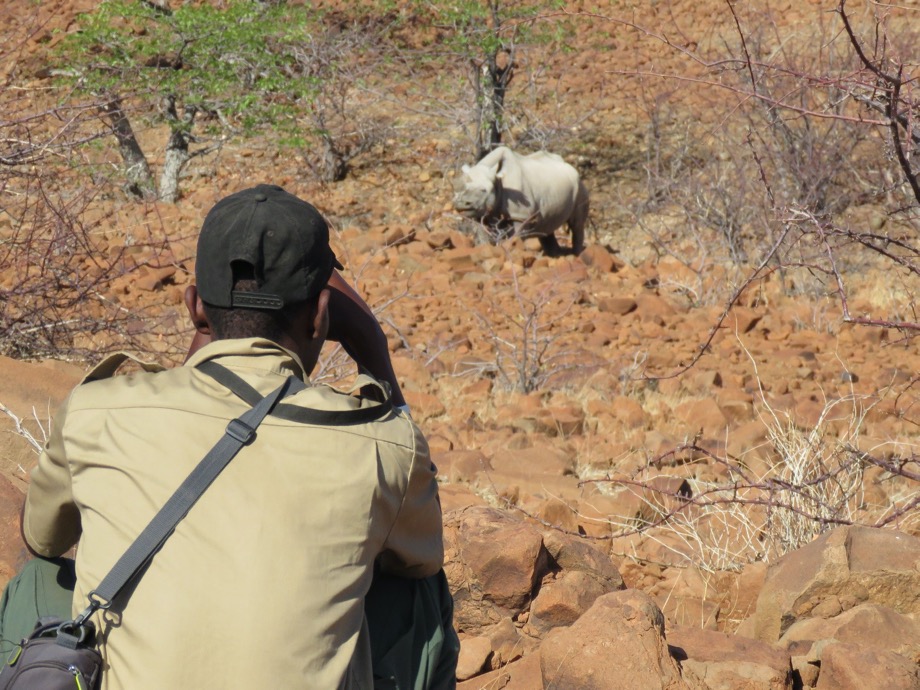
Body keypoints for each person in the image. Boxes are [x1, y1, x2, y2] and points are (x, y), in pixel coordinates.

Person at [14, 184, 459, 689]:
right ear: (320, 317)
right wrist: (373, 350)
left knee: (36, 582)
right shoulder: (383, 443)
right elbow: (423, 556)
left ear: (195, 308)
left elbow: (43, 535)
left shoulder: (99, 409)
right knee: (422, 592)